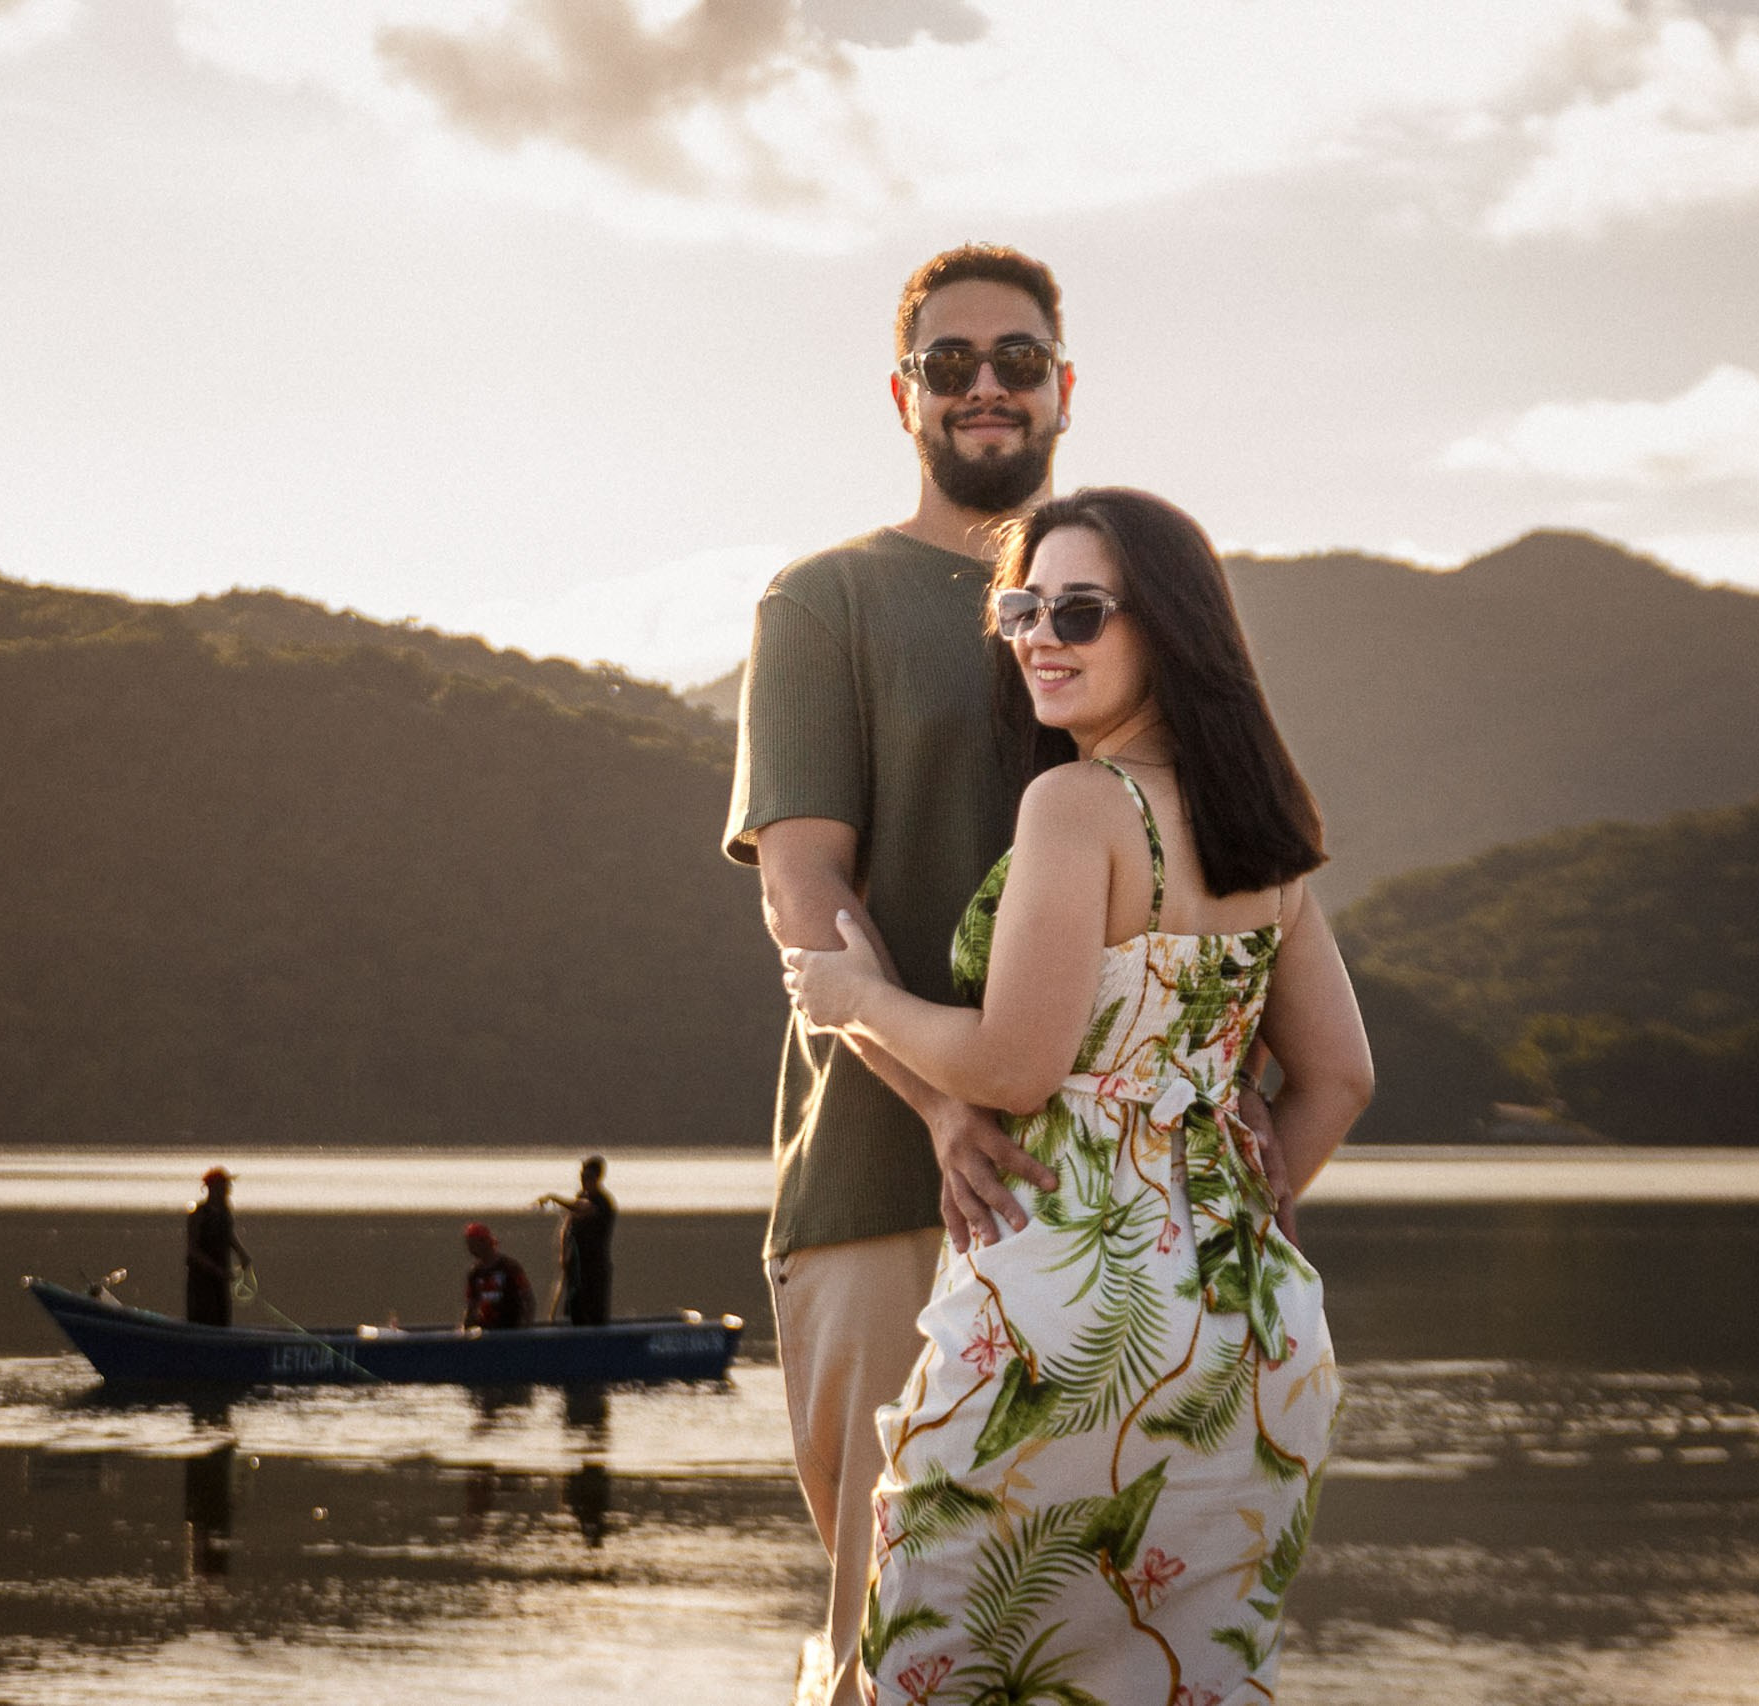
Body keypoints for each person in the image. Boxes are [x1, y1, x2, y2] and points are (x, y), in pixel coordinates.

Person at [783, 487, 1373, 1705]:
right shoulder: (1264, 829)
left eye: (1080, 610)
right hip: (1244, 1336)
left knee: (930, 1672)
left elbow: (1012, 1066)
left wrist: (853, 997)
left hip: (1063, 1330)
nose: (1040, 635)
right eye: (1021, 606)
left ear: (1168, 629)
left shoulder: (1077, 803)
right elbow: (1338, 1077)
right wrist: (1229, 1202)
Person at [724, 242, 1079, 1706]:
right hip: (883, 1183)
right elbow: (809, 902)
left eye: (1015, 359)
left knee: (1077, 1647)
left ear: (1065, 386)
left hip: (1104, 1195)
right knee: (895, 1649)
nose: (985, 386)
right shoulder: (826, 602)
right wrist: (944, 1111)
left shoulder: (1121, 604)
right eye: (951, 362)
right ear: (903, 392)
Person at [535, 1155, 619, 1326]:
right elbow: (568, 1223)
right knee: (572, 1308)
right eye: (582, 1176)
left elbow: (582, 1208)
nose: (583, 1180)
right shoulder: (581, 1195)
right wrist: (563, 1252)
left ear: (597, 1178)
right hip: (576, 1264)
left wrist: (553, 1197)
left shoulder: (603, 1202)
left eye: (587, 1177)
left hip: (594, 1267)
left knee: (593, 1311)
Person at [183, 1166, 251, 1327]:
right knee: (201, 1321)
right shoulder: (199, 1214)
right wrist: (216, 1270)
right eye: (225, 1186)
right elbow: (193, 1250)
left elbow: (228, 1235)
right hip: (201, 1282)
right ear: (213, 1188)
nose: (229, 1190)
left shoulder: (225, 1212)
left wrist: (241, 1253)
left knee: (222, 1320)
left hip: (221, 1279)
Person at [461, 1222, 535, 1330]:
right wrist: (465, 1329)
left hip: (510, 1329)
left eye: (472, 1244)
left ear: (484, 1242)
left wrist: (525, 1328)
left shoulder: (510, 1267)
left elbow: (528, 1299)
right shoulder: (475, 1273)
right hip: (486, 1330)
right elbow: (471, 1306)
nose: (469, 1249)